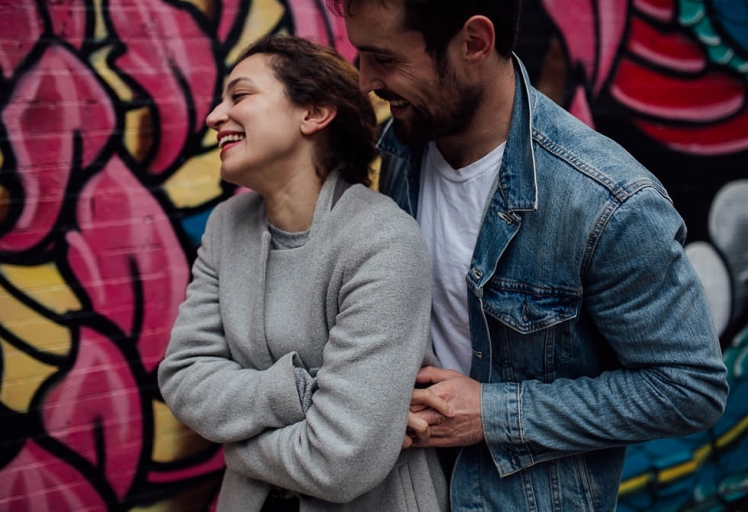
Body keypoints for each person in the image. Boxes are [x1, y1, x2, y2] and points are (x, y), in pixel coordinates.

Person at [325, 0, 730, 510]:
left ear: (474, 42)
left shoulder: (606, 202)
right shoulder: (400, 151)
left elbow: (689, 389)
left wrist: (492, 412)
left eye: (385, 59)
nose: (366, 82)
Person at [158, 34, 449, 512]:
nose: (214, 116)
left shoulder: (381, 240)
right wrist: (297, 393)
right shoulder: (227, 227)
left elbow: (340, 462)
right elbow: (185, 377)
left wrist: (235, 447)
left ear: (313, 113)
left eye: (240, 96)